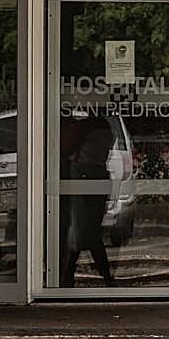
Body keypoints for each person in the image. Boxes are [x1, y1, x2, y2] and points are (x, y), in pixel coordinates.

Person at [59, 113, 116, 287]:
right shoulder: (106, 126)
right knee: (90, 229)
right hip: (99, 174)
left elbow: (63, 149)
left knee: (80, 228)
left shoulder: (83, 127)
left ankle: (66, 277)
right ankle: (104, 277)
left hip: (81, 177)